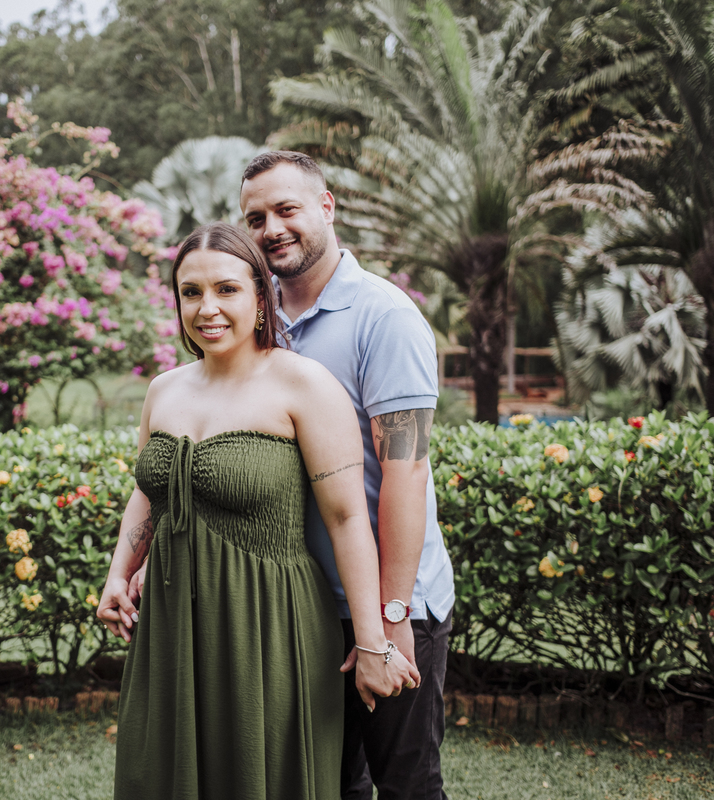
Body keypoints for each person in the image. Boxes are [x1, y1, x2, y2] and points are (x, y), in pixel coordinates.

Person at [96, 221, 417, 800]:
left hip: (268, 624)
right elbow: (149, 491)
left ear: (261, 297)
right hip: (171, 624)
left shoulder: (303, 385)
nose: (207, 308)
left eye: (227, 289)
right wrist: (119, 574)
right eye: (191, 292)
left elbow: (347, 520)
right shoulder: (163, 390)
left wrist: (373, 640)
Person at [238, 151, 456, 800]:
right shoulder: (254, 318)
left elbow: (406, 471)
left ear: (326, 207)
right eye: (255, 218)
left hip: (393, 601)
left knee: (407, 786)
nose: (272, 229)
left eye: (286, 209)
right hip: (300, 603)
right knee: (325, 784)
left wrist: (390, 618)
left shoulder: (386, 317)